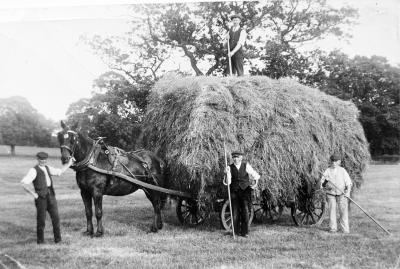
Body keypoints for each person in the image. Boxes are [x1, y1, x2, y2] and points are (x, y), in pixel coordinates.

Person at [21, 151, 74, 244]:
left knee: (56, 218)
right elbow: (24, 183)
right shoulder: (33, 170)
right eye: (41, 159)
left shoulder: (48, 168)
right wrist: (34, 194)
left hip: (51, 196)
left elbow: (59, 172)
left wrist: (69, 164)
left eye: (45, 159)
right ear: (38, 159)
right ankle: (40, 241)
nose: (43, 161)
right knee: (41, 220)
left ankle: (58, 240)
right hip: (41, 198)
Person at [224, 151, 260, 237]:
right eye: (234, 157)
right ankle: (235, 232)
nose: (236, 159)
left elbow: (255, 175)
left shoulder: (246, 165)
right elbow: (227, 182)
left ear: (241, 158)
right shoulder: (229, 167)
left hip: (245, 191)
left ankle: (245, 232)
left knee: (245, 211)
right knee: (235, 212)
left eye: (237, 157)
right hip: (235, 191)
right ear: (233, 158)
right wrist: (226, 173)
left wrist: (255, 184)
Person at [320, 154, 353, 233]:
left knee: (343, 211)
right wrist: (326, 183)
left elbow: (348, 183)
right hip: (330, 194)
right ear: (330, 162)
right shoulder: (327, 171)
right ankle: (333, 228)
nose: (334, 163)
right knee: (332, 211)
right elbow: (322, 184)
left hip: (342, 194)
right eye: (332, 161)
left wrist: (348, 192)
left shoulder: (342, 170)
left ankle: (345, 229)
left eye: (335, 161)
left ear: (339, 162)